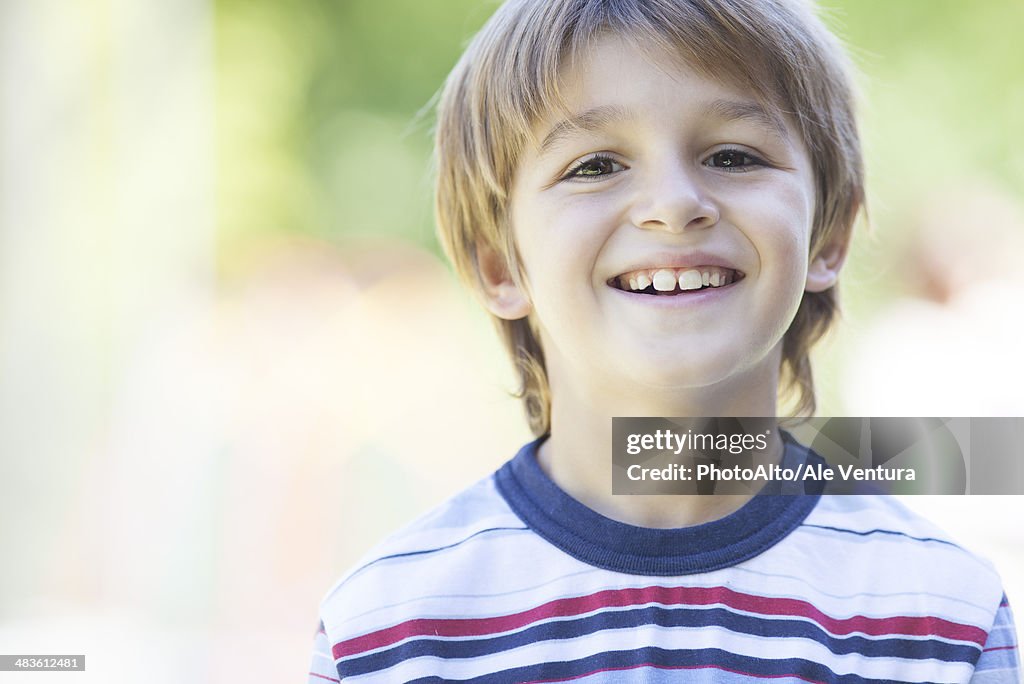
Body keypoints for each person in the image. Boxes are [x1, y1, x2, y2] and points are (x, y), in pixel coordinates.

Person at [308, 0, 1020, 680]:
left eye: (735, 156)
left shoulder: (942, 617)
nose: (675, 205)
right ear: (499, 263)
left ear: (826, 235)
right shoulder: (391, 633)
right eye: (594, 166)